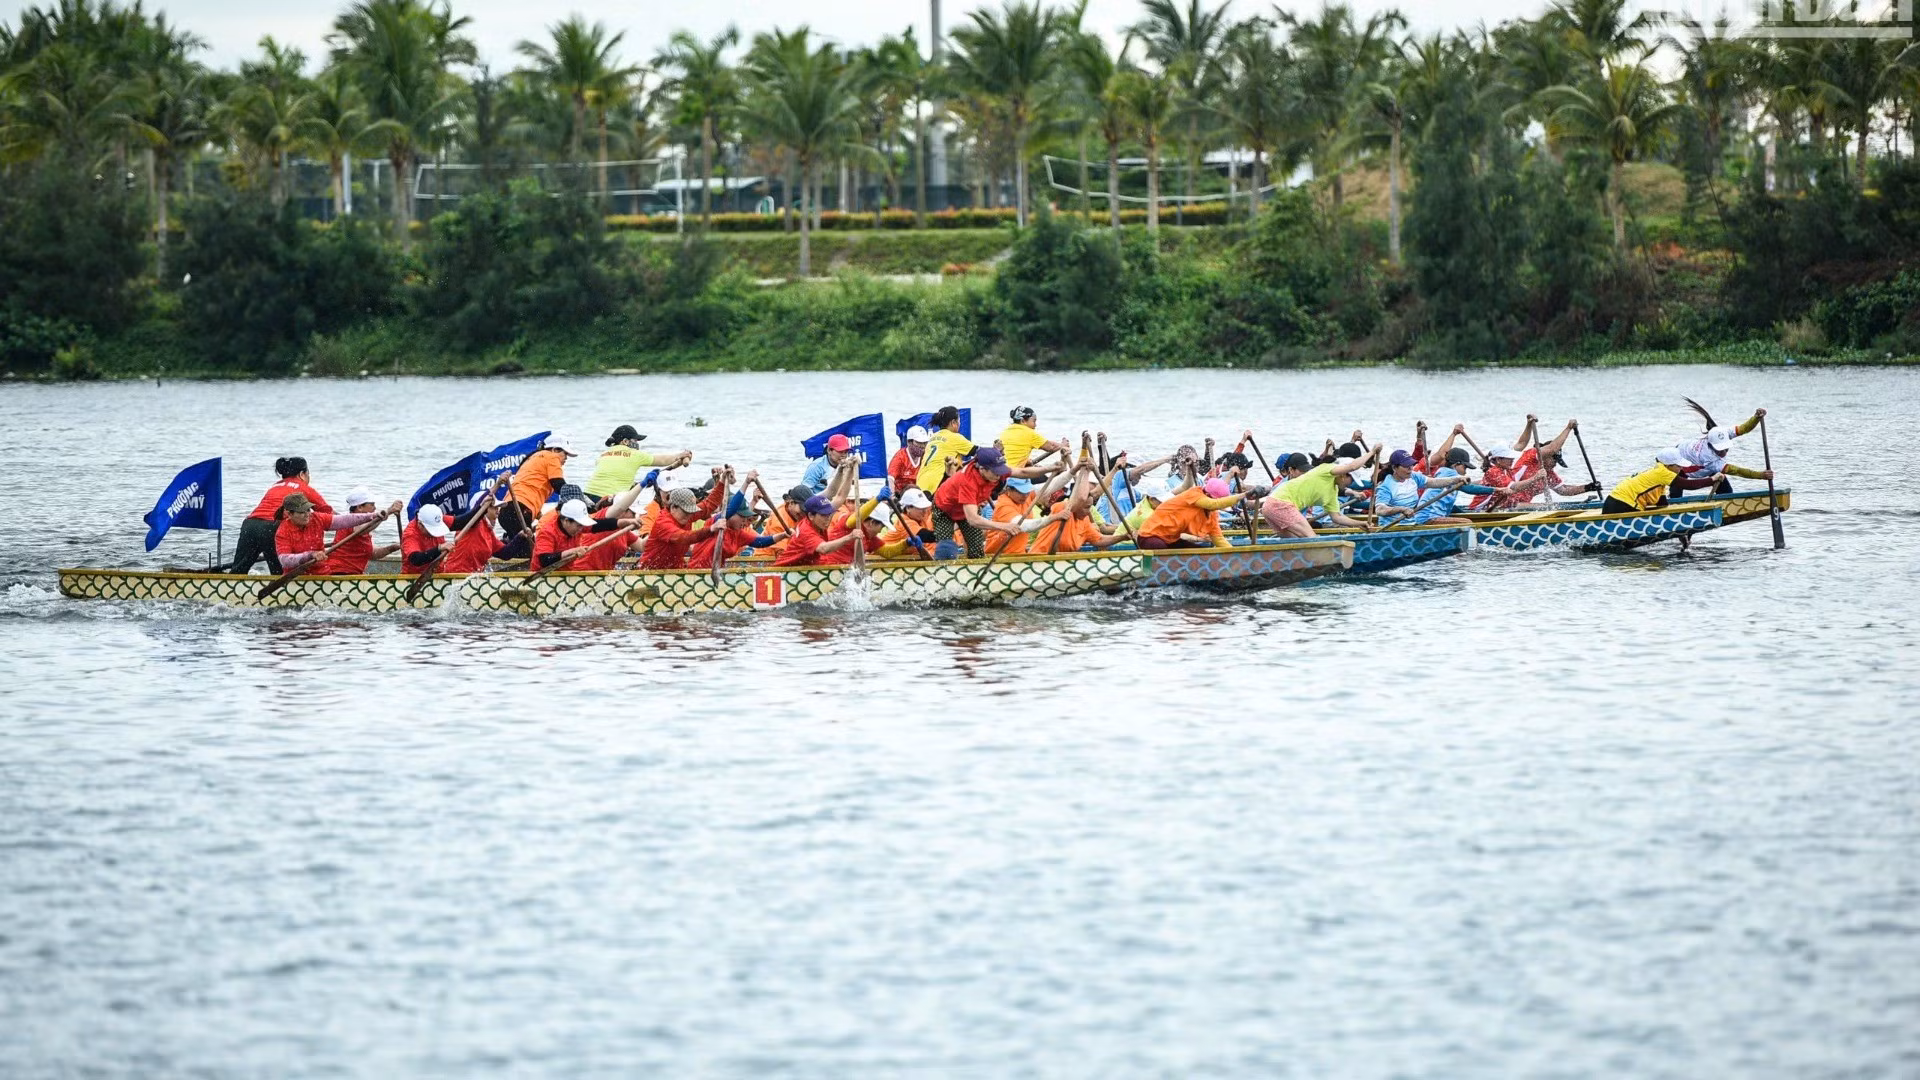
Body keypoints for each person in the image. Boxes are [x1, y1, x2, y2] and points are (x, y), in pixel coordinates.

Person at [229, 456, 332, 573]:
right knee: (280, 572)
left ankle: (229, 582)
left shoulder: (275, 486)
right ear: (302, 474)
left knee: (238, 570)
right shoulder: (304, 488)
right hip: (272, 527)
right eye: (308, 473)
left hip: (250, 525)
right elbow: (327, 514)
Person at [931, 447, 1030, 559]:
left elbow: (1023, 472)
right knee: (946, 549)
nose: (1025, 495)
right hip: (946, 510)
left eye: (1026, 492)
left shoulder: (995, 476)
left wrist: (1047, 468)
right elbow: (973, 520)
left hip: (967, 512)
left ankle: (974, 562)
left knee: (976, 550)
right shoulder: (969, 481)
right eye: (1020, 491)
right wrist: (1003, 527)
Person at [1262, 448, 1379, 537]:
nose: (1351, 484)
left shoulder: (1332, 492)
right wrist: (1373, 451)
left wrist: (1359, 524)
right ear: (1344, 475)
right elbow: (1353, 466)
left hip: (1269, 506)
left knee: (1294, 539)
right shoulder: (1326, 469)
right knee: (1312, 538)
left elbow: (1337, 518)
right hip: (1281, 503)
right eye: (1352, 480)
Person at [1658, 407, 1772, 496]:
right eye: (1719, 450)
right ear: (1711, 446)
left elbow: (1743, 428)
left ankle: (1724, 505)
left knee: (1727, 491)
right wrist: (1760, 475)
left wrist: (1756, 418)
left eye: (1726, 448)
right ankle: (1674, 504)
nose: (1724, 452)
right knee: (1677, 491)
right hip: (1679, 461)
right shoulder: (1707, 457)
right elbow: (1737, 471)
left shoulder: (1722, 433)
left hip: (1688, 450)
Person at [274, 493, 400, 572]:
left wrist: (373, 516)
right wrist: (310, 555)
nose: (307, 515)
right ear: (289, 514)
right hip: (297, 577)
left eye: (308, 510)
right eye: (301, 512)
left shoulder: (316, 518)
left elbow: (345, 520)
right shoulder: (283, 532)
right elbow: (284, 560)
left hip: (322, 572)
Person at [637, 473, 730, 569]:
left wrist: (722, 481)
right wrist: (710, 529)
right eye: (686, 512)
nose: (689, 515)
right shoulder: (663, 523)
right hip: (650, 570)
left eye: (691, 511)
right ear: (673, 507)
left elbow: (709, 504)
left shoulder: (686, 514)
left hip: (674, 567)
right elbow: (684, 537)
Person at [583, 425, 693, 498]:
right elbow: (663, 460)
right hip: (609, 499)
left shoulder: (603, 455)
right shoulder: (634, 454)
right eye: (635, 440)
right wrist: (680, 455)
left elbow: (614, 476)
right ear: (625, 441)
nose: (637, 443)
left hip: (588, 495)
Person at [1136, 477, 1245, 550]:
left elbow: (1219, 539)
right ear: (1207, 494)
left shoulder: (1212, 514)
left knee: (1198, 552)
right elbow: (1213, 504)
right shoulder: (1194, 494)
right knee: (1161, 549)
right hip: (1149, 536)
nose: (1219, 507)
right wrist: (1243, 495)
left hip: (1170, 539)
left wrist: (1234, 555)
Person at [1370, 451, 1475, 526]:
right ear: (1394, 468)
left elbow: (1434, 482)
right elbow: (1380, 510)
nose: (1410, 469)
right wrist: (1401, 509)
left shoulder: (1413, 477)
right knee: (1467, 523)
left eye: (1411, 465)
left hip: (1412, 525)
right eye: (1406, 466)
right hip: (1391, 528)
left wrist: (1457, 479)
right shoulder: (1386, 486)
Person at [503, 434, 577, 539]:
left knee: (518, 543)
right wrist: (578, 498)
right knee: (529, 547)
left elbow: (530, 485)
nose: (566, 458)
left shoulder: (532, 458)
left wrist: (540, 516)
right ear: (555, 450)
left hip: (507, 508)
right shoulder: (552, 457)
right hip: (519, 509)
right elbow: (559, 485)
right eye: (565, 453)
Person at [689, 489, 781, 568]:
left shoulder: (739, 532)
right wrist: (746, 482)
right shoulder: (715, 523)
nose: (745, 521)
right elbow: (732, 509)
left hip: (716, 571)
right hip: (696, 570)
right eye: (742, 517)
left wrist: (783, 535)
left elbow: (760, 542)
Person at [531, 497, 626, 570]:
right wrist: (572, 551)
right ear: (566, 521)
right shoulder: (547, 532)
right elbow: (545, 560)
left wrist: (627, 522)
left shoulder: (577, 526)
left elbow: (600, 525)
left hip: (565, 575)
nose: (581, 529)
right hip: (542, 578)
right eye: (579, 525)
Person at [319, 489, 400, 574]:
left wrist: (392, 548)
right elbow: (362, 529)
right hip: (339, 572)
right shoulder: (351, 522)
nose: (375, 508)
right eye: (372, 505)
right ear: (360, 507)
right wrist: (387, 512)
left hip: (350, 573)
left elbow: (372, 554)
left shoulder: (362, 526)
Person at [774, 495, 869, 566]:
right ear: (811, 515)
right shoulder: (806, 531)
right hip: (784, 573)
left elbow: (840, 497)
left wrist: (847, 474)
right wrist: (850, 537)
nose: (828, 519)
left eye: (829, 514)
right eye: (823, 515)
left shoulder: (816, 523)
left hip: (803, 568)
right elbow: (823, 549)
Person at [915, 406, 974, 491]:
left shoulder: (932, 438)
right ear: (953, 422)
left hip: (920, 483)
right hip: (936, 484)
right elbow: (982, 453)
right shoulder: (955, 437)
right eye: (959, 421)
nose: (959, 424)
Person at [1604, 460, 1685, 515]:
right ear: (1668, 466)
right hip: (1621, 505)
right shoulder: (1662, 473)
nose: (1681, 468)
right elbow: (1687, 485)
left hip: (1612, 501)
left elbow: (1662, 503)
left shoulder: (1657, 474)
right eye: (1678, 466)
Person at [888, 426, 931, 495]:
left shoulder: (926, 456)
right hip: (901, 494)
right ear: (909, 442)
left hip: (919, 493)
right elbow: (890, 479)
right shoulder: (900, 458)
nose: (923, 446)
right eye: (919, 442)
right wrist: (892, 496)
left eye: (925, 443)